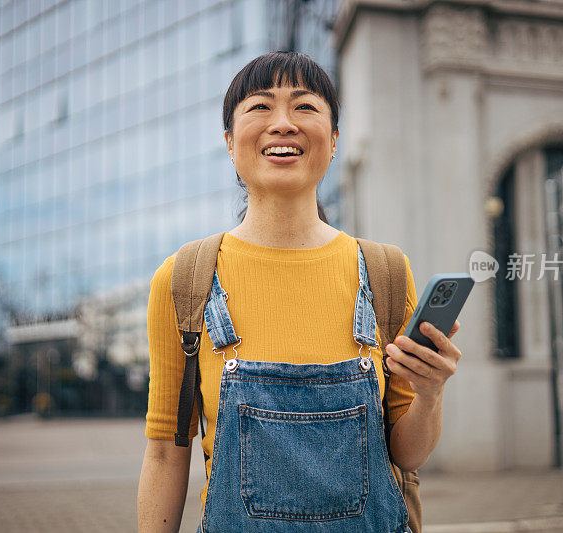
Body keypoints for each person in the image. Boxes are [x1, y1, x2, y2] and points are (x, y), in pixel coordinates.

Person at [137, 51, 463, 533]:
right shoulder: (185, 279)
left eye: (305, 107)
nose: (283, 123)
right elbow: (166, 452)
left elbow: (408, 455)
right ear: (230, 141)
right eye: (261, 107)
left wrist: (431, 393)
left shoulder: (386, 273)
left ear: (333, 141)